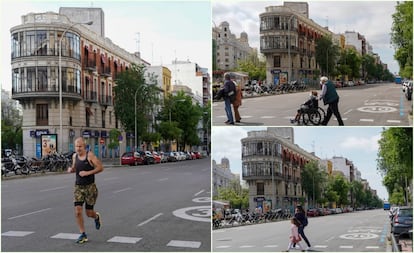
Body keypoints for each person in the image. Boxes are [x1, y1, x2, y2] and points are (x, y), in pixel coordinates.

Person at [67, 137, 104, 244]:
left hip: (90, 187)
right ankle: (83, 234)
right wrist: (72, 170)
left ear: (84, 146)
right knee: (78, 211)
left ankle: (96, 216)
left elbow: (100, 168)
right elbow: (75, 168)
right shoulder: (74, 156)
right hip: (78, 187)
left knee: (89, 213)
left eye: (80, 146)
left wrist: (87, 173)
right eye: (76, 146)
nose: (78, 148)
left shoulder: (90, 155)